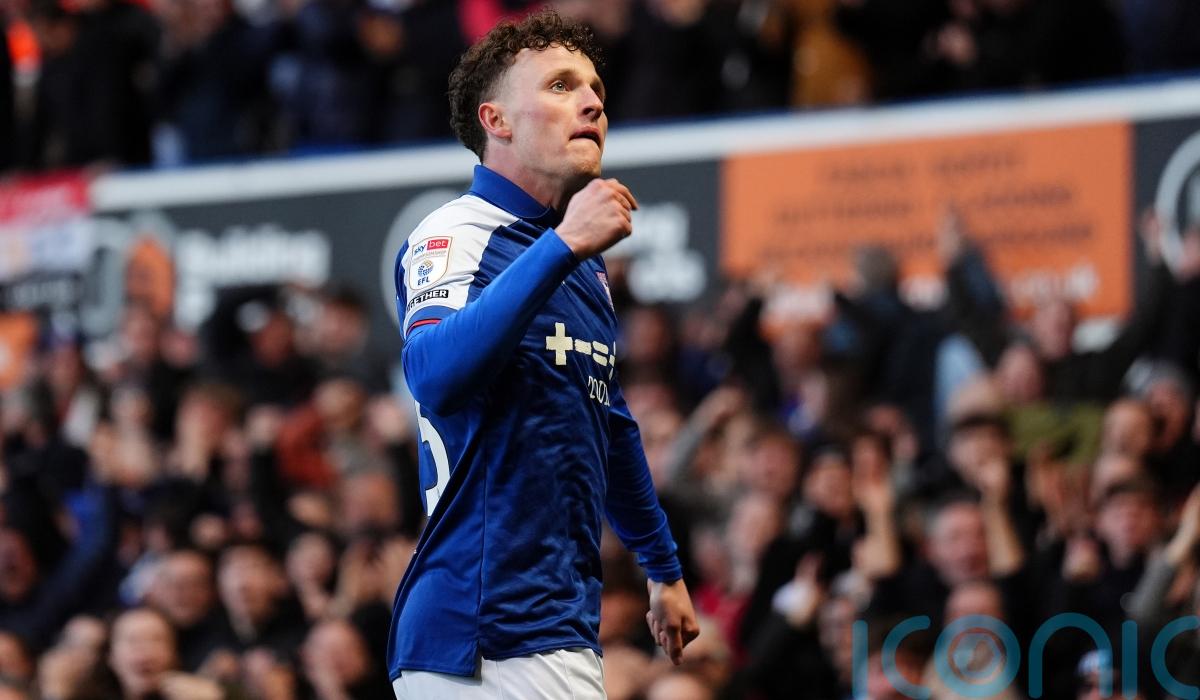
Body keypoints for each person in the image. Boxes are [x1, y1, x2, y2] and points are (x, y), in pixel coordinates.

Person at [386, 9, 699, 698]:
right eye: (561, 85)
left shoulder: (580, 267)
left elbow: (607, 421)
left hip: (550, 624)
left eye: (596, 90)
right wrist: (561, 247)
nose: (592, 103)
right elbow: (433, 376)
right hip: (482, 631)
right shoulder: (458, 232)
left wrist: (663, 568)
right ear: (496, 120)